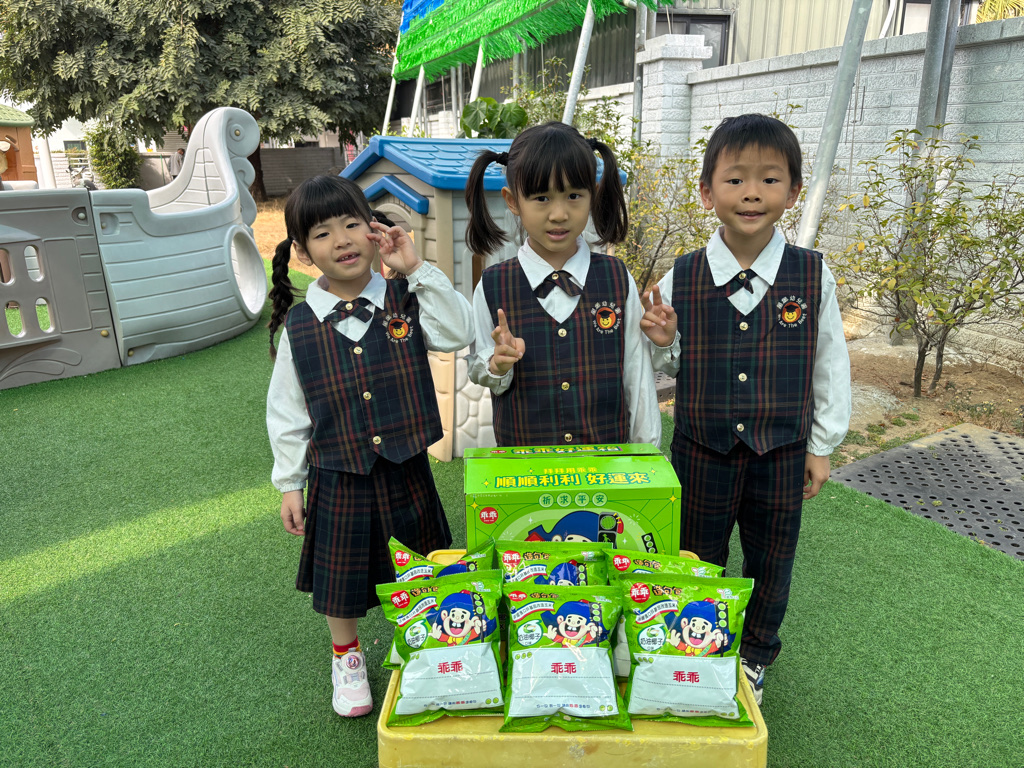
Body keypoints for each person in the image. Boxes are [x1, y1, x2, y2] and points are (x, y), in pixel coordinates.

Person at [640, 114, 851, 706]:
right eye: (735, 180)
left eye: (769, 179)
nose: (752, 193)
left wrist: (821, 446)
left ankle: (755, 652)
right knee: (695, 555)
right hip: (700, 450)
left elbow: (829, 363)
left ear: (794, 191)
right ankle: (694, 641)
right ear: (707, 192)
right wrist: (666, 341)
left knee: (771, 558)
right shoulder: (683, 275)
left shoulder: (811, 274)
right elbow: (667, 357)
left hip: (780, 452)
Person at [266, 175, 473, 717]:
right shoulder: (300, 326)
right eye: (322, 233)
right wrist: (289, 483)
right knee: (341, 578)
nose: (341, 240)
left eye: (351, 224)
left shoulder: (407, 296)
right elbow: (287, 412)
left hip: (407, 466)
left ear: (373, 229)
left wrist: (416, 268)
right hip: (337, 473)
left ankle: (429, 642)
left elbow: (458, 332)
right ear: (303, 253)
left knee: (423, 563)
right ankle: (347, 656)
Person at [465, 121, 660, 448]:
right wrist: (497, 364)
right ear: (513, 201)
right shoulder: (492, 286)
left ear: (592, 195)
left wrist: (646, 453)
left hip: (607, 466)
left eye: (573, 196)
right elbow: (483, 371)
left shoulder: (616, 278)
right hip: (526, 468)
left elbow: (637, 376)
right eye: (542, 198)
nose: (559, 214)